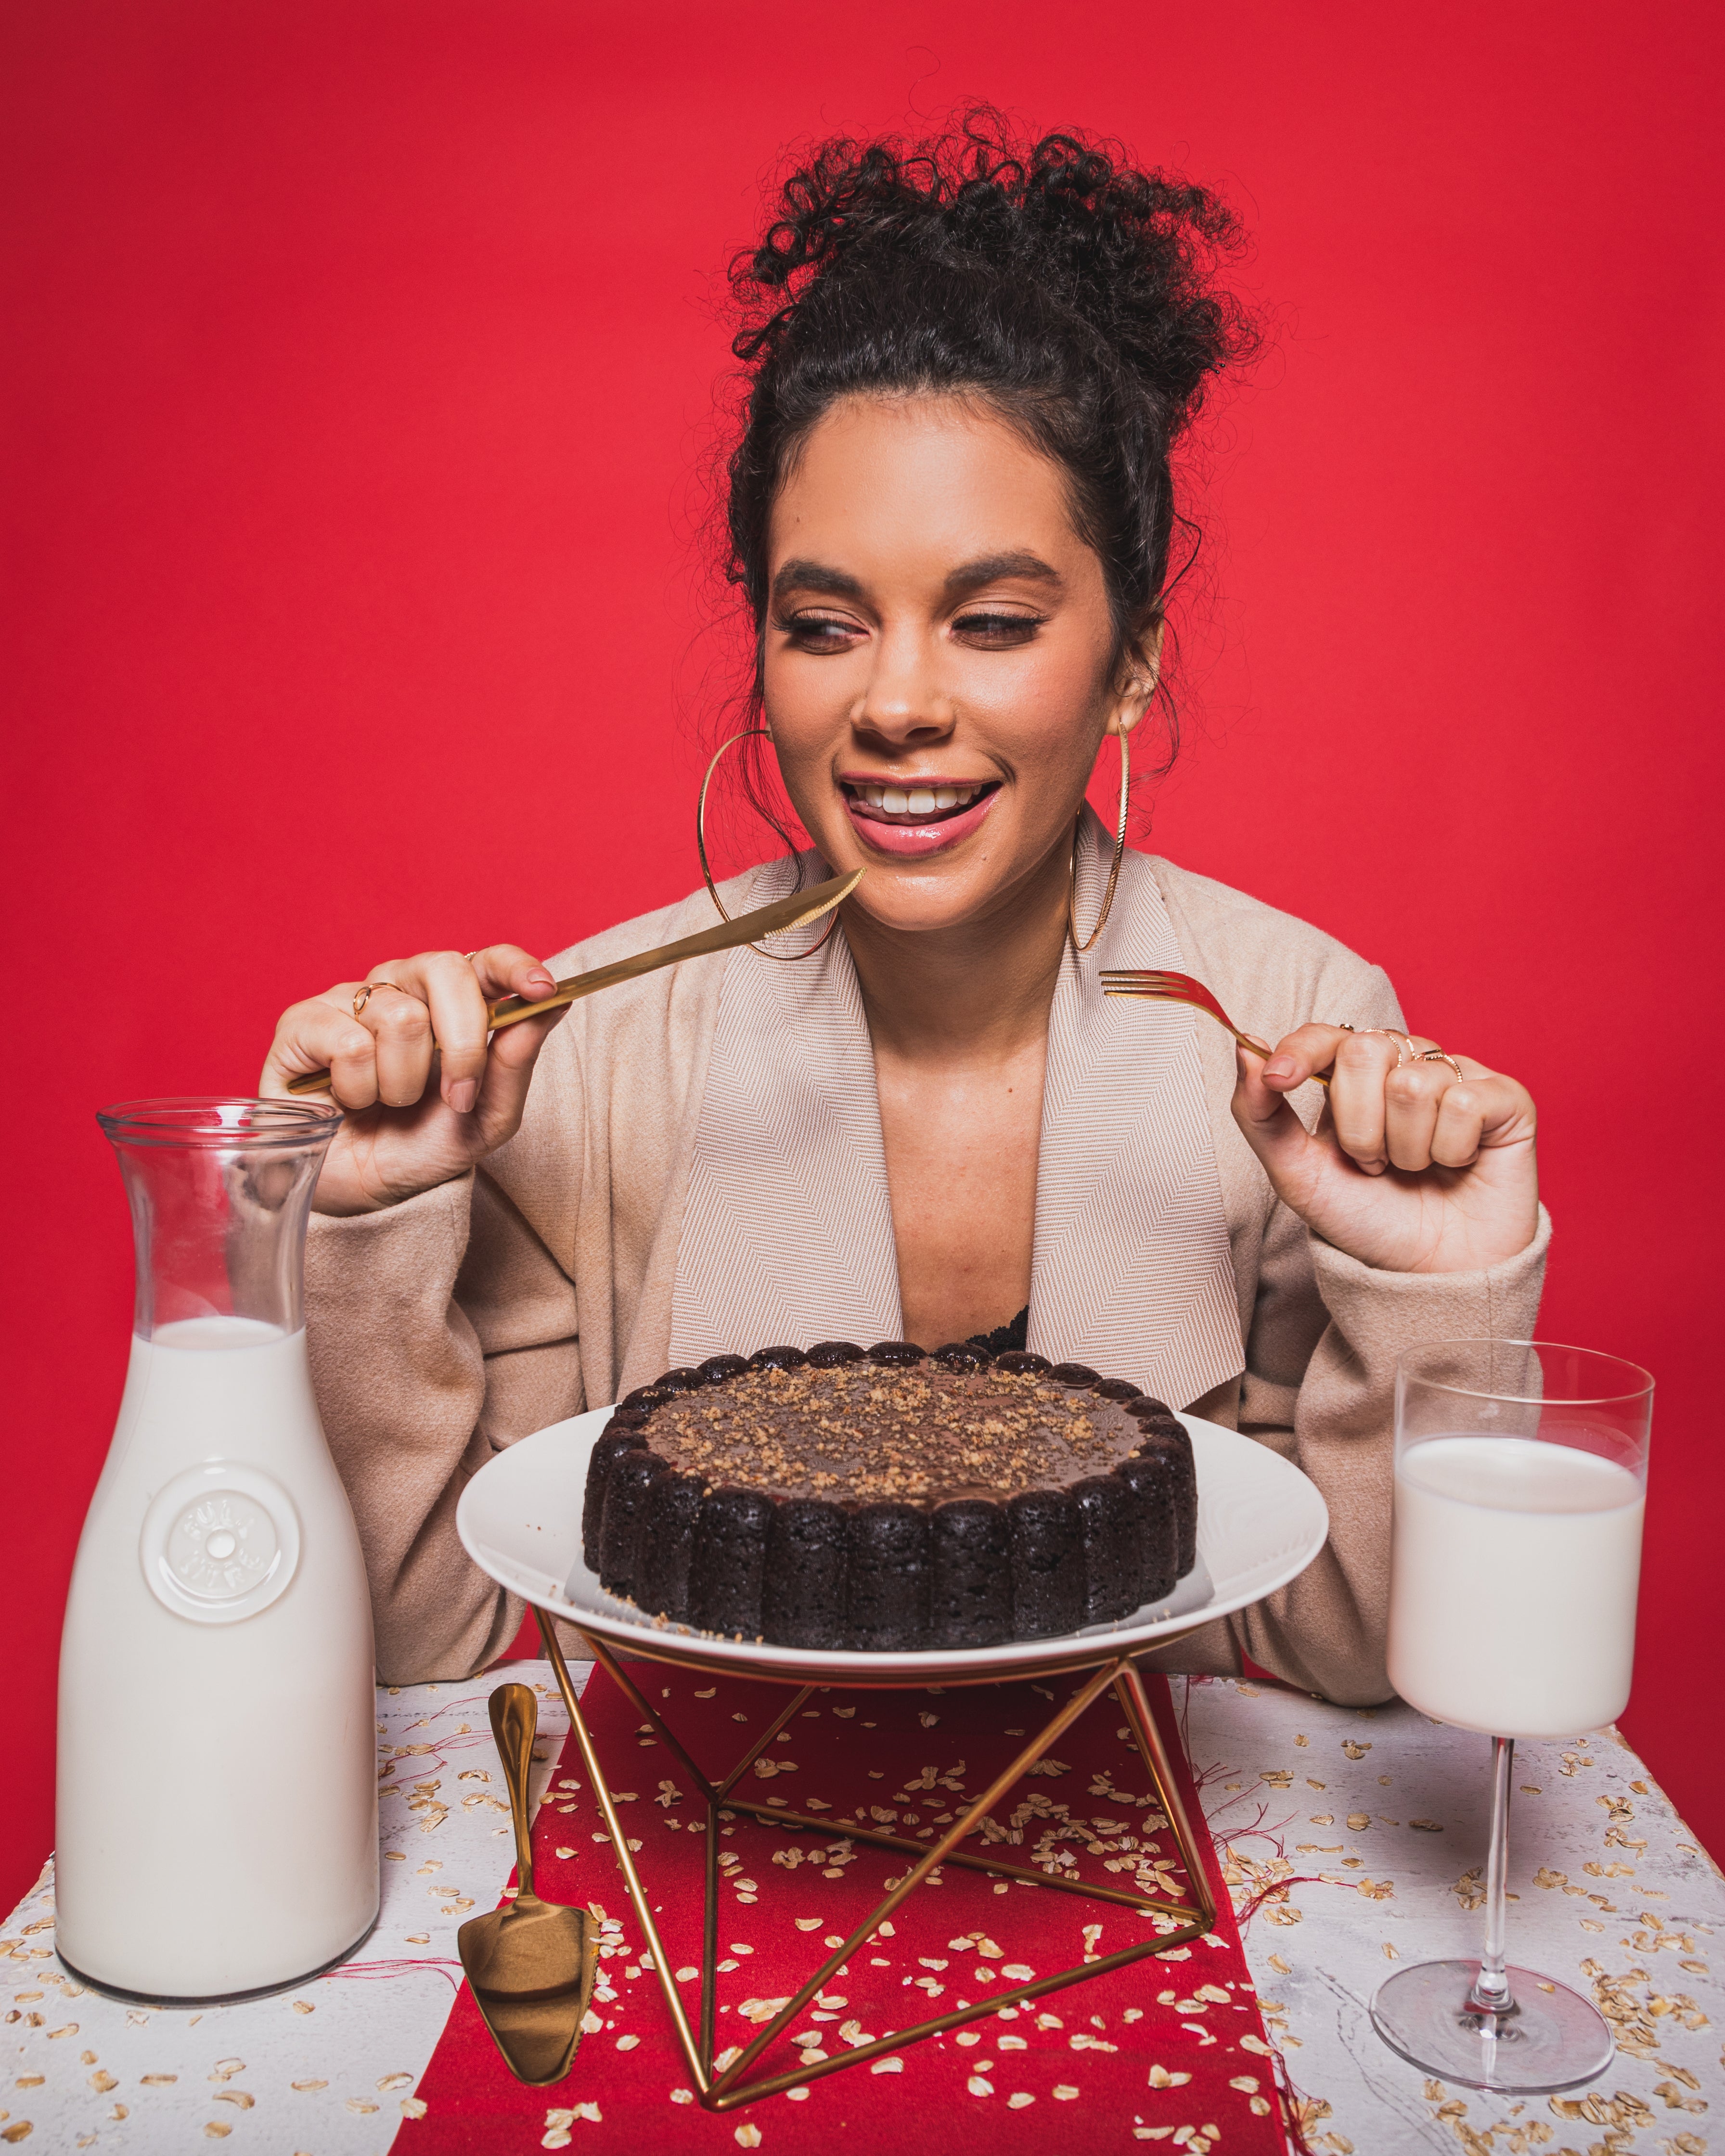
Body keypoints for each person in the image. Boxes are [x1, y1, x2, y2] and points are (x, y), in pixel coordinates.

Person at [264, 121, 1545, 1697]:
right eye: (825, 623)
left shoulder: (1304, 1030)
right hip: (713, 1900)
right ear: (764, 652)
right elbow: (436, 1640)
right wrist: (357, 1226)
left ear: (1130, 657)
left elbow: (1356, 1658)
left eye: (993, 620)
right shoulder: (581, 1068)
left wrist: (1434, 1295)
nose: (899, 702)